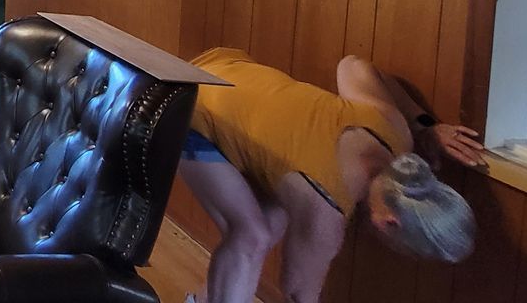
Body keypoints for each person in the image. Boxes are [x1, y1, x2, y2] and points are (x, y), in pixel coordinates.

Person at [179, 48, 486, 303]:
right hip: (185, 104)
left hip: (223, 67)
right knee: (252, 235)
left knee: (274, 217)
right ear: (388, 222)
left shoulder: (393, 129)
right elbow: (299, 292)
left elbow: (352, 66)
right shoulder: (326, 210)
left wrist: (424, 127)